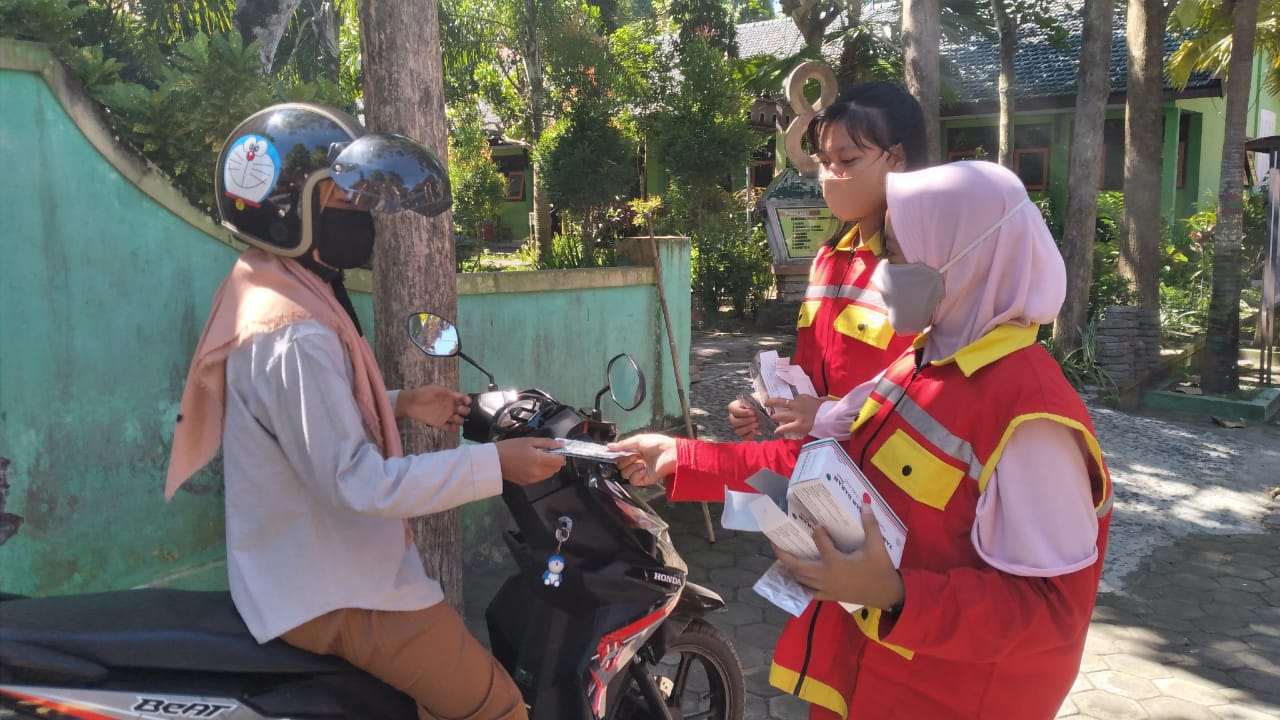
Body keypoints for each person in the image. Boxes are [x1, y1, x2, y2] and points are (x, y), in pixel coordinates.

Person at [612, 161, 1113, 719]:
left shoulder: (1030, 419)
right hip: (868, 678)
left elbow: (1050, 612)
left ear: (967, 259)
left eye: (897, 254)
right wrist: (679, 456)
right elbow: (805, 463)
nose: (880, 273)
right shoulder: (920, 364)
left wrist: (897, 592)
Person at [164, 102, 565, 720]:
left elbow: (301, 423)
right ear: (288, 209)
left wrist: (401, 403)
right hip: (339, 588)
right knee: (500, 709)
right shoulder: (294, 333)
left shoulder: (270, 282)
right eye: (344, 202)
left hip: (302, 569)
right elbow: (356, 482)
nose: (364, 217)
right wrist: (496, 466)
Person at [729, 81, 928, 439]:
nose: (830, 175)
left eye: (847, 160)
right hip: (816, 471)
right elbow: (810, 376)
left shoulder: (926, 264)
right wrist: (768, 405)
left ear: (897, 157)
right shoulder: (828, 258)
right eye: (824, 161)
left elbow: (932, 390)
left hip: (883, 475)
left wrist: (832, 414)